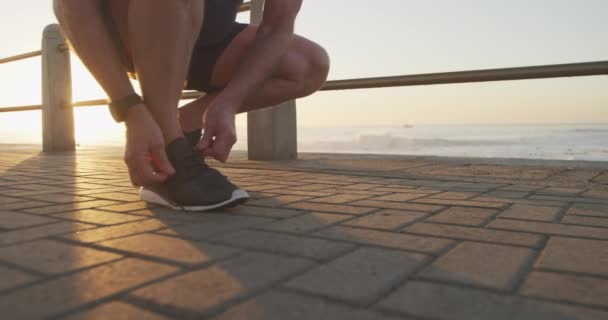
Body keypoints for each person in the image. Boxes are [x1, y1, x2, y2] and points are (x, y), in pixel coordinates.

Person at [53, 0, 330, 211]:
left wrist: (228, 102)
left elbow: (277, 27)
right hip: (134, 26)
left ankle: (176, 129)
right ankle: (170, 150)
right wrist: (129, 109)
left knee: (307, 65)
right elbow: (72, 5)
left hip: (207, 38)